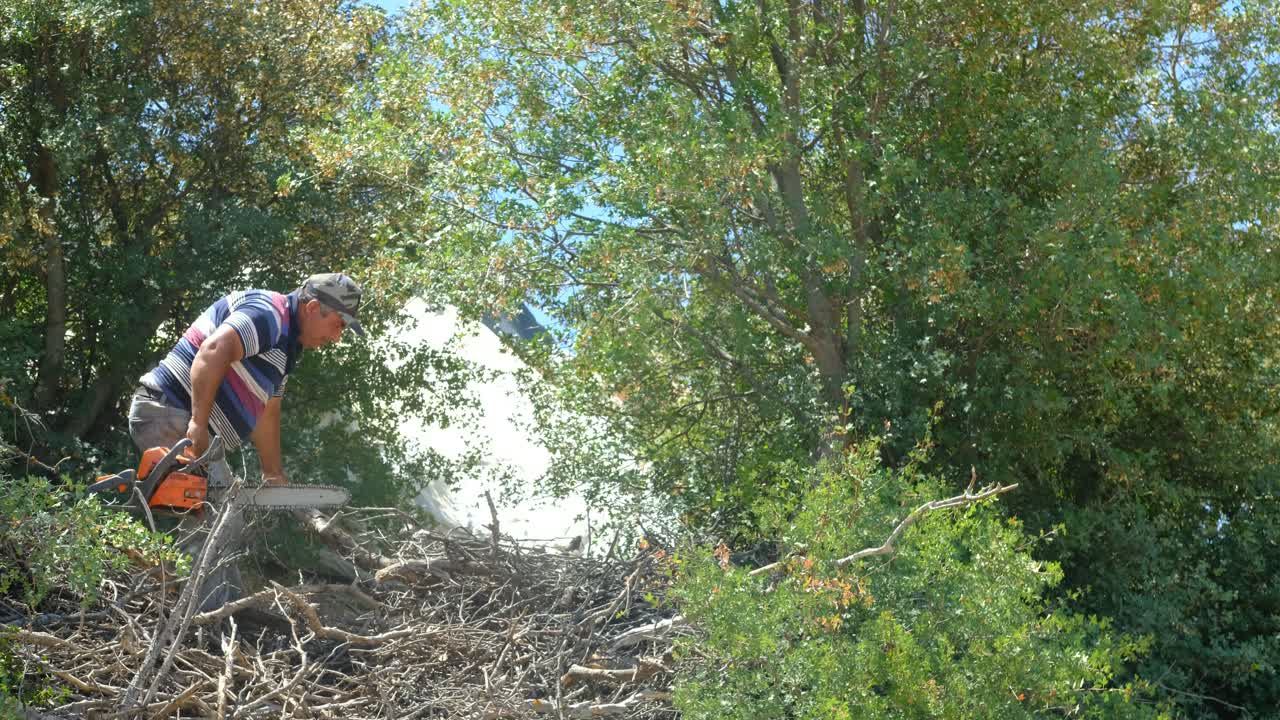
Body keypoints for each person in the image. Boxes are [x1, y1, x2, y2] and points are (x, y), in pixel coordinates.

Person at [128, 272, 364, 611]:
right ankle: (201, 615)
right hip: (168, 413)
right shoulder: (269, 314)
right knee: (218, 515)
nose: (338, 337)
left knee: (225, 516)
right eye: (339, 325)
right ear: (314, 308)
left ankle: (225, 608)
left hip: (181, 420)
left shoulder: (286, 347)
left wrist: (273, 474)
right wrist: (197, 424)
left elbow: (268, 410)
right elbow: (213, 351)